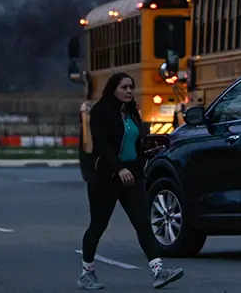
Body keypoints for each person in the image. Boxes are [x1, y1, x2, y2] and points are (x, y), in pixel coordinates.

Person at [79, 73, 184, 290]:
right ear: (113, 89)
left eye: (131, 87)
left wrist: (148, 153)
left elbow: (135, 145)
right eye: (124, 87)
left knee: (143, 223)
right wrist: (119, 168)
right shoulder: (101, 111)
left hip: (131, 177)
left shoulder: (132, 112)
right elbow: (102, 147)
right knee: (98, 225)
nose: (129, 91)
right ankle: (87, 273)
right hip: (105, 178)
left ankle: (158, 271)